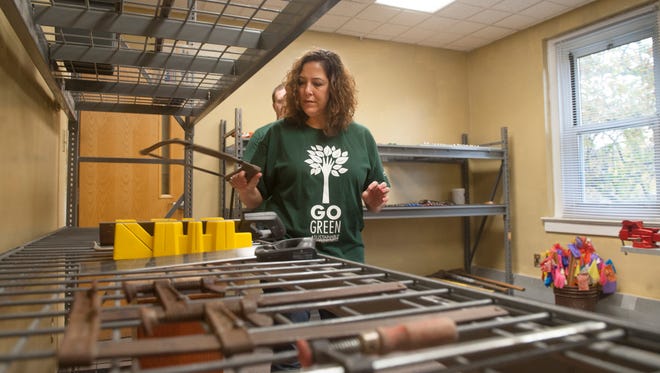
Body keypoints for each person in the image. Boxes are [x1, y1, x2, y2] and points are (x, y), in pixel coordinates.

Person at [229, 48, 390, 263]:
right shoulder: (277, 134)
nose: (307, 91)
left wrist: (373, 201)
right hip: (287, 256)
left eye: (317, 83)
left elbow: (376, 204)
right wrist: (245, 191)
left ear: (335, 88)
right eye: (301, 82)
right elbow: (255, 202)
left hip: (345, 258)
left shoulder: (361, 136)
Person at [243, 84, 286, 162]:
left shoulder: (306, 132)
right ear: (274, 106)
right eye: (280, 101)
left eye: (288, 100)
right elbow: (247, 169)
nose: (285, 105)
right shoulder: (260, 135)